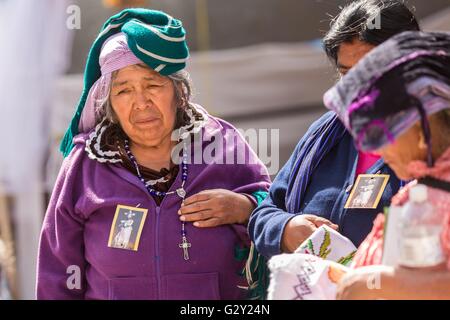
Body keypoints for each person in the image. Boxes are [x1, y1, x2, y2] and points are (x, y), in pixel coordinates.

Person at [37, 9, 270, 300]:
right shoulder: (86, 164)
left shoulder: (222, 145)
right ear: (108, 101)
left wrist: (244, 207)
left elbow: (278, 213)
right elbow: (57, 269)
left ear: (178, 91)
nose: (141, 103)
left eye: (153, 85)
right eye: (124, 91)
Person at [249, 0, 419, 261]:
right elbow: (266, 211)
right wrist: (286, 229)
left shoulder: (433, 142)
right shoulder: (325, 135)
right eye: (346, 74)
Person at [323, 30, 450, 299]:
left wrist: (376, 281)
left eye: (384, 133)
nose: (377, 149)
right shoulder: (422, 191)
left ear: (419, 130)